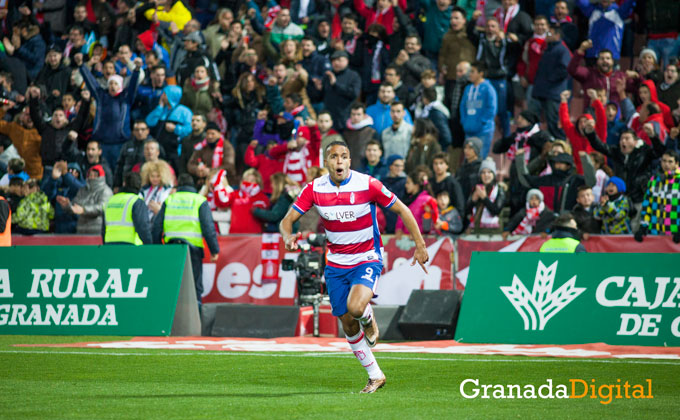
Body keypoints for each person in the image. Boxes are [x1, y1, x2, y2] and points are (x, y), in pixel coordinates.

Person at [279, 140, 429, 393]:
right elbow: (287, 220)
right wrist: (287, 236)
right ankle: (375, 375)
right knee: (347, 323)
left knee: (356, 306)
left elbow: (403, 210)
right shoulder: (315, 188)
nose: (339, 161)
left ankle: (369, 319)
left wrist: (420, 245)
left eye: (344, 156)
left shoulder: (367, 184)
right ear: (325, 162)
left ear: (350, 160)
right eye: (334, 156)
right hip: (336, 262)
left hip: (367, 256)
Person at [153, 173, 220, 307]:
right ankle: (196, 322)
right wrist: (214, 250)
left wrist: (158, 247)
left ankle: (171, 322)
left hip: (172, 249)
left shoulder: (169, 200)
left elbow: (156, 226)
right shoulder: (199, 200)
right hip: (192, 250)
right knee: (194, 288)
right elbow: (208, 228)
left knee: (172, 286)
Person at [636, 150, 680, 242]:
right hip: (655, 231)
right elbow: (647, 205)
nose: (666, 164)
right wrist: (643, 226)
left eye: (670, 161)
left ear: (677, 164)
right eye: (664, 161)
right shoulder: (654, 180)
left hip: (674, 231)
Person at [459, 61, 497, 158]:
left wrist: (482, 122)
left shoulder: (489, 89)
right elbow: (462, 106)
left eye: (472, 72)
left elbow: (491, 109)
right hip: (468, 130)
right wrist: (464, 121)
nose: (469, 74)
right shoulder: (468, 88)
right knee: (468, 159)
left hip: (483, 131)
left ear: (481, 73)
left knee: (479, 159)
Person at [103, 172, 152, 245]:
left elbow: (103, 228)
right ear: (139, 185)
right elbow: (142, 227)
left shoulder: (110, 200)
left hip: (109, 244)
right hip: (130, 245)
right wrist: (149, 244)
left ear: (124, 183)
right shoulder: (136, 201)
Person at [466, 158, 506, 234]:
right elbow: (468, 210)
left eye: (489, 172)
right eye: (483, 172)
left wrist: (484, 198)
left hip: (493, 232)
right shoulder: (476, 188)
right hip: (476, 230)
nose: (486, 175)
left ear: (493, 174)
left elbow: (496, 210)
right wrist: (473, 200)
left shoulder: (499, 190)